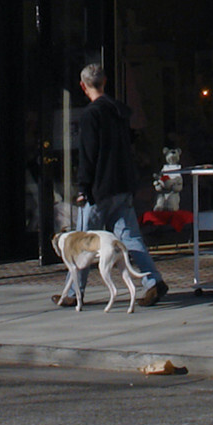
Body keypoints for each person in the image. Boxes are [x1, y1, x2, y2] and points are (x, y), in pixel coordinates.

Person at [63, 62, 167, 305]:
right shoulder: (120, 112)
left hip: (99, 189)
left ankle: (72, 294)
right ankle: (153, 280)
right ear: (105, 82)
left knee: (83, 244)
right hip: (122, 185)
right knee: (130, 238)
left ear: (82, 85)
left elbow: (89, 155)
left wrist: (83, 187)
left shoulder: (91, 114)